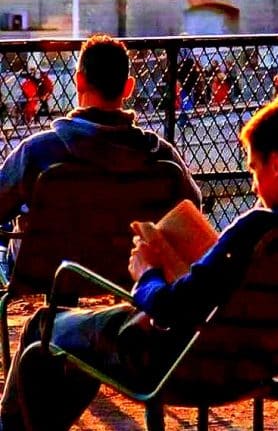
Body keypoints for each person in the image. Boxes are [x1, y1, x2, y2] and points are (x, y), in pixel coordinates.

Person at [0, 90, 278, 431]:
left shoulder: (261, 230)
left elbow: (170, 310)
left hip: (178, 363)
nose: (254, 185)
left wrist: (148, 272)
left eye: (255, 170)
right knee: (79, 346)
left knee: (44, 328)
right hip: (264, 364)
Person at [0, 34, 200, 272]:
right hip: (132, 278)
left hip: (51, 280)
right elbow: (192, 210)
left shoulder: (37, 152)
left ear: (79, 81)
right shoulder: (163, 157)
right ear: (128, 87)